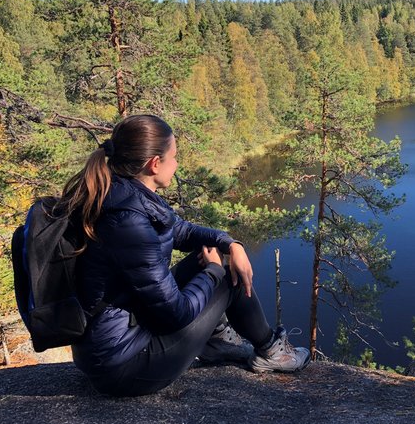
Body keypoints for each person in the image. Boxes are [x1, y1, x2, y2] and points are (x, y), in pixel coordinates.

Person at [57, 114, 310, 397]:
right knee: (224, 273)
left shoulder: (120, 194)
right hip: (126, 365)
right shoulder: (126, 220)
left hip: (116, 343)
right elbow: (175, 314)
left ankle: (215, 342)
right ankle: (271, 352)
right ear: (155, 163)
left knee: (220, 259)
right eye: (174, 157)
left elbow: (181, 231)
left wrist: (230, 243)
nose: (177, 164)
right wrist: (214, 273)